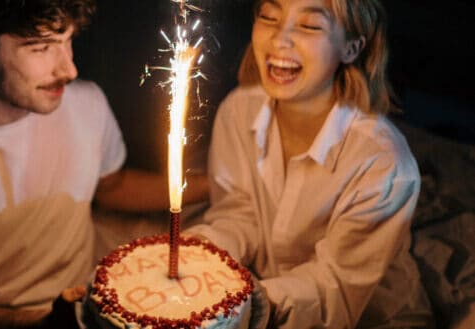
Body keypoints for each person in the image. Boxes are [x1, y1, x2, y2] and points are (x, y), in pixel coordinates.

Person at [0, 1, 208, 328]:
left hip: (94, 298)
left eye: (67, 42)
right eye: (42, 48)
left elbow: (111, 187)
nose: (69, 70)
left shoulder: (85, 102)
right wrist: (51, 323)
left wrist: (217, 183)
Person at [185, 0, 433, 328]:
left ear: (351, 46)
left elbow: (334, 288)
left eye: (310, 26)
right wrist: (207, 250)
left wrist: (247, 302)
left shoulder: (384, 165)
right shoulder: (238, 110)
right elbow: (239, 212)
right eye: (269, 17)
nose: (279, 39)